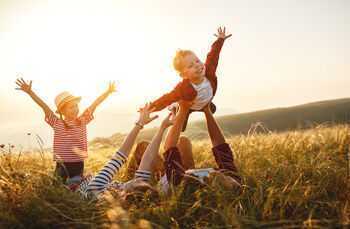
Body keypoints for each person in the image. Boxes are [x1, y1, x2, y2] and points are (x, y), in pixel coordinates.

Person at [15, 78, 116, 181]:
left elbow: (95, 104)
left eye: (76, 106)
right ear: (62, 111)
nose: (75, 109)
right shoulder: (57, 122)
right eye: (71, 107)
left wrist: (107, 92)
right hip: (61, 165)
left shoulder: (82, 120)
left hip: (78, 164)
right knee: (59, 186)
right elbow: (43, 106)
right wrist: (30, 92)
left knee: (75, 186)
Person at [149, 26, 232, 131]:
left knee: (211, 108)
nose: (197, 65)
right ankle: (176, 107)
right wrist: (150, 108)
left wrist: (220, 40)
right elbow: (166, 99)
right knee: (180, 126)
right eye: (190, 66)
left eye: (197, 61)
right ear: (184, 75)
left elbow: (213, 55)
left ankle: (205, 104)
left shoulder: (209, 71)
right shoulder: (183, 89)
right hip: (189, 105)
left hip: (204, 101)